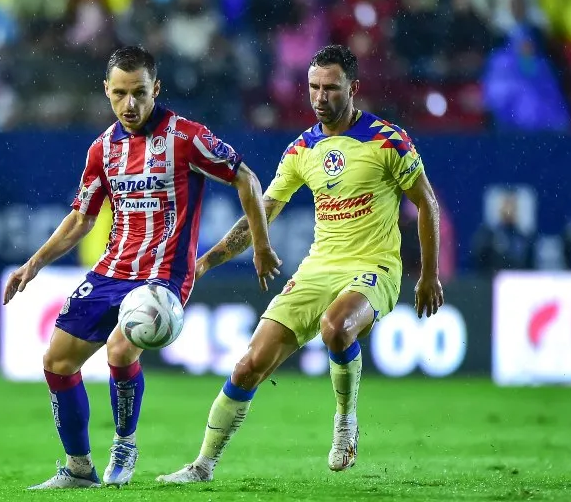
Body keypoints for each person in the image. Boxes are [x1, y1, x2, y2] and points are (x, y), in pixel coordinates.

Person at [157, 45, 444, 484]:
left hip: (374, 267)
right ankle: (202, 465)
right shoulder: (301, 149)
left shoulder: (388, 139)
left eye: (331, 88)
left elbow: (426, 203)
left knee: (336, 326)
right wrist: (205, 262)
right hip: (316, 269)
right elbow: (263, 210)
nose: (320, 97)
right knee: (249, 364)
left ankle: (346, 422)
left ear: (354, 89)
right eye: (314, 87)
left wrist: (427, 274)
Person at [3, 46, 281, 489]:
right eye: (119, 94)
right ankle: (78, 470)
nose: (129, 105)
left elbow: (246, 178)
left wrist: (261, 246)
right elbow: (81, 218)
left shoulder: (186, 137)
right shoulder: (102, 150)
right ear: (106, 92)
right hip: (113, 267)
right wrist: (33, 264)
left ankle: (125, 443)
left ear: (157, 89)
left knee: (120, 348)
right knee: (56, 361)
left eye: (139, 93)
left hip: (164, 273)